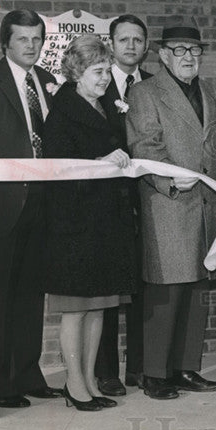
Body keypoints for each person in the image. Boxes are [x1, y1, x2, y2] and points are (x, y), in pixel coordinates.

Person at [126, 19, 216, 399]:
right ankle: (154, 373)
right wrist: (168, 182)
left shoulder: (210, 92)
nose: (189, 58)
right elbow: (145, 146)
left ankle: (187, 369)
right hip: (168, 205)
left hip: (206, 206)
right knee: (166, 291)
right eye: (180, 51)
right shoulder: (145, 92)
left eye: (195, 51)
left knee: (198, 290)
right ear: (164, 55)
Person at [41, 36, 139, 411]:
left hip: (106, 222)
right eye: (98, 72)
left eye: (106, 71)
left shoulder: (105, 107)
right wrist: (103, 159)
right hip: (76, 227)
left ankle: (92, 380)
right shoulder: (62, 112)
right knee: (76, 309)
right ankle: (74, 383)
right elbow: (61, 169)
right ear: (78, 72)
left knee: (99, 307)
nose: (104, 79)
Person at [0, 9, 64, 409]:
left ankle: (30, 374)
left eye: (37, 39)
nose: (31, 46)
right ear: (6, 43)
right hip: (4, 204)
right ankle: (1, 383)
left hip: (42, 202)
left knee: (33, 293)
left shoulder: (47, 81)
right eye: (23, 39)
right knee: (3, 293)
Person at [93, 14, 151, 397]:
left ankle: (140, 368)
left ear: (146, 46)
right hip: (108, 200)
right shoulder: (96, 83)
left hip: (149, 196)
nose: (131, 45)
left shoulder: (154, 85)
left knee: (145, 286)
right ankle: (107, 372)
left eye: (138, 40)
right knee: (110, 288)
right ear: (111, 43)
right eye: (123, 39)